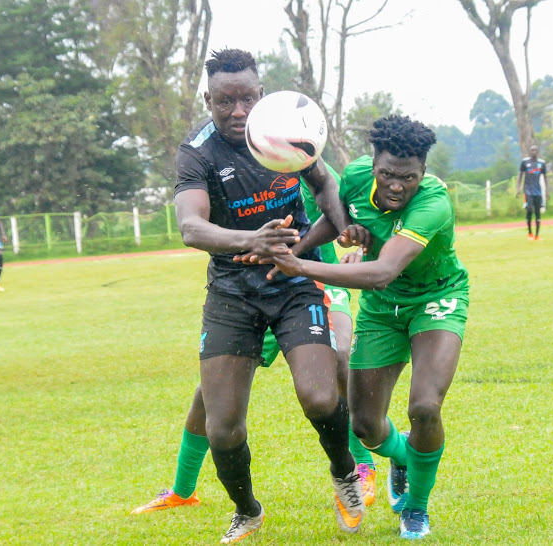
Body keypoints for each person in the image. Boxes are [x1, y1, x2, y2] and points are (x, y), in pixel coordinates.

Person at [169, 48, 364, 543]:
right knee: (222, 428)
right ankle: (247, 510)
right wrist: (249, 240)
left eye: (246, 99)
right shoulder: (198, 151)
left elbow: (323, 185)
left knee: (320, 397)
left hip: (292, 279)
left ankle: (345, 475)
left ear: (260, 94)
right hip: (232, 291)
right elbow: (191, 227)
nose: (238, 112)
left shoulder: (283, 125)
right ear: (208, 98)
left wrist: (342, 227)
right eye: (225, 101)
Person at [264, 115, 469, 539]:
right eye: (388, 174)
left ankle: (416, 506)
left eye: (408, 177)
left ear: (423, 173)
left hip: (436, 299)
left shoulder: (433, 203)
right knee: (366, 427)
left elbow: (383, 271)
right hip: (381, 311)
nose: (397, 186)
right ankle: (401, 455)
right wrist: (309, 244)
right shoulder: (357, 175)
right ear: (372, 164)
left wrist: (298, 265)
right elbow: (338, 218)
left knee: (425, 406)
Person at [130, 174, 378, 517]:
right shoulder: (238, 169)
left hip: (314, 279)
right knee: (211, 394)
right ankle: (182, 490)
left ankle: (361, 468)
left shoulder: (311, 168)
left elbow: (347, 218)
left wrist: (355, 241)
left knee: (338, 358)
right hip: (253, 293)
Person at [515, 144, 548, 241]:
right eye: (532, 150)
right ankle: (530, 233)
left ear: (538, 152)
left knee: (538, 212)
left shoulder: (542, 163)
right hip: (528, 191)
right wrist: (518, 189)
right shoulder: (525, 162)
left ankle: (537, 235)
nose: (533, 152)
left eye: (535, 150)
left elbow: (546, 177)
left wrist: (547, 191)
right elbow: (520, 176)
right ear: (530, 152)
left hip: (538, 191)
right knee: (529, 210)